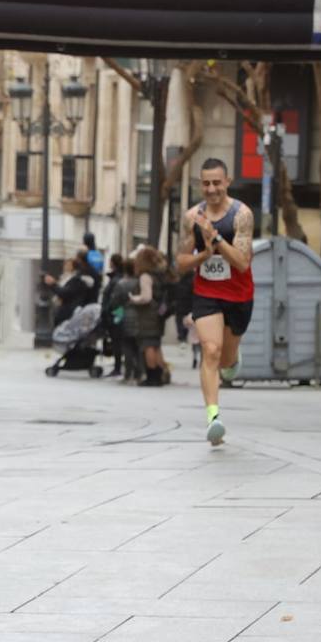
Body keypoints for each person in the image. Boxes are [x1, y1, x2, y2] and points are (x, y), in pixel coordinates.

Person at [177, 158, 255, 446]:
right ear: (201, 184)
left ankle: (233, 358)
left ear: (227, 182)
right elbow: (181, 262)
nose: (211, 189)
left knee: (225, 360)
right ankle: (213, 418)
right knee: (210, 350)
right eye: (206, 183)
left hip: (239, 295)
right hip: (207, 293)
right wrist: (202, 256)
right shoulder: (191, 217)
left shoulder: (241, 215)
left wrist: (217, 239)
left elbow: (243, 263)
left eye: (217, 183)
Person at [128, 245, 170, 387]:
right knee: (155, 345)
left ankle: (152, 376)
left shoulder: (145, 276)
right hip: (157, 314)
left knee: (148, 346)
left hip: (148, 316)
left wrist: (134, 298)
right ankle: (159, 374)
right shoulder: (158, 274)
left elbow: (146, 297)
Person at [42, 255, 96, 326]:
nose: (65, 266)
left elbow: (65, 292)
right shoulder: (66, 277)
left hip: (68, 312)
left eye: (67, 264)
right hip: (64, 309)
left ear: (73, 267)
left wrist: (53, 284)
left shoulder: (75, 279)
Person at [100, 253, 127, 377]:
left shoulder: (116, 279)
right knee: (117, 339)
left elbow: (113, 299)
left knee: (117, 339)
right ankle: (119, 364)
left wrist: (108, 311)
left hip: (116, 312)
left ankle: (118, 366)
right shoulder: (119, 277)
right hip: (117, 311)